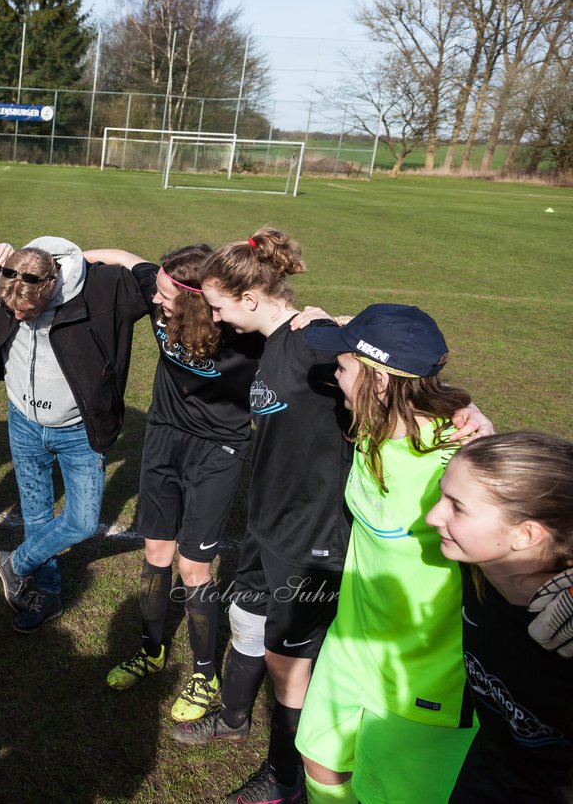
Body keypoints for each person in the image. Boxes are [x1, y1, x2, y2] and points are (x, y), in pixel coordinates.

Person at [173, 227, 489, 804]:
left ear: (248, 298)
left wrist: (471, 411)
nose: (213, 319)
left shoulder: (316, 341)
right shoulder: (277, 340)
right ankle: (239, 718)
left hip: (313, 538)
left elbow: (407, 371)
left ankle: (283, 775)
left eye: (217, 306)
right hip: (270, 524)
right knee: (255, 630)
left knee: (288, 661)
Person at [0, 224, 149, 633]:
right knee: (37, 516)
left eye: (27, 313)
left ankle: (15, 563)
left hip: (80, 431)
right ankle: (46, 594)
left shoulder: (103, 289)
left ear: (51, 288)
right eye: (11, 312)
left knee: (82, 522)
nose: (18, 319)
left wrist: (120, 255)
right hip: (23, 424)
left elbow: (164, 284)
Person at [294, 304, 477, 804]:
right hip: (351, 643)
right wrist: (333, 322)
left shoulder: (458, 460)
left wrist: (488, 432)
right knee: (320, 763)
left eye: (344, 365)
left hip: (423, 674)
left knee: (386, 795)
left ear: (378, 381)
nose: (334, 374)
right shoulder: (373, 428)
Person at [83, 245, 263, 723]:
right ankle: (151, 650)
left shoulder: (245, 335)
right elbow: (123, 257)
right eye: (156, 290)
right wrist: (60, 257)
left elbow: (309, 339)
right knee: (156, 553)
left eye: (165, 296)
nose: (156, 302)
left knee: (193, 568)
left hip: (218, 449)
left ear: (198, 301)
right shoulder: (161, 293)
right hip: (163, 438)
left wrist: (320, 318)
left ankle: (205, 675)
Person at [426, 433, 573, 802]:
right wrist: (468, 413)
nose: (432, 516)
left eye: (456, 507)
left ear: (526, 535)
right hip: (487, 772)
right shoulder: (478, 570)